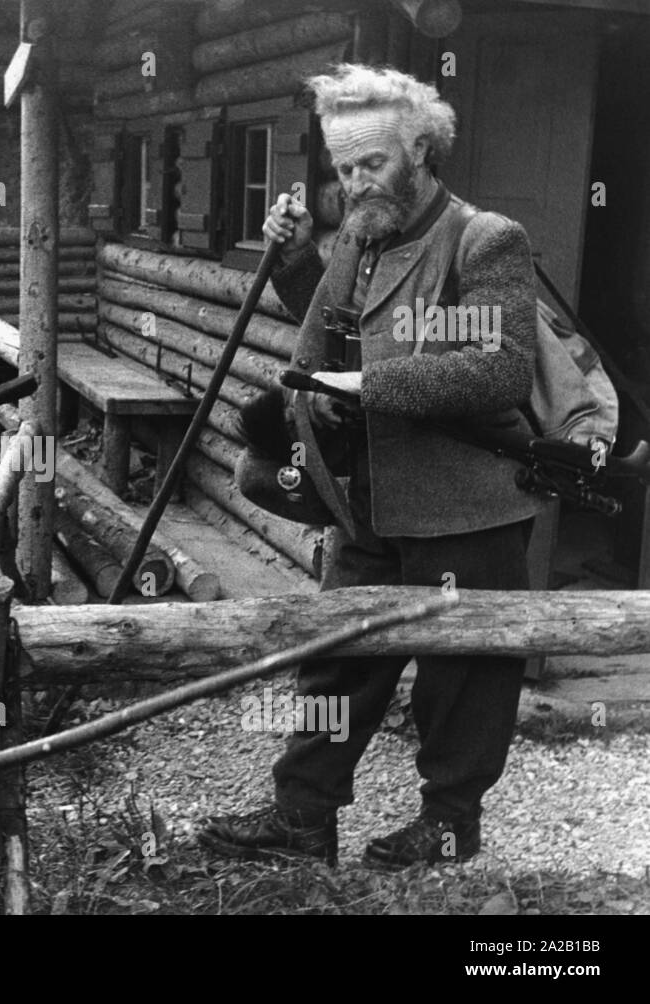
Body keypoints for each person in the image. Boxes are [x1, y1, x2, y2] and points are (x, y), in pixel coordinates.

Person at [197, 64, 544, 869]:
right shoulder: (362, 234)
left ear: (420, 149)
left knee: (461, 682)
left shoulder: (485, 239)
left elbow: (499, 369)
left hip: (467, 508)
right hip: (368, 501)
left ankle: (449, 823)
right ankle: (302, 818)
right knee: (336, 664)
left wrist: (371, 385)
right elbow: (342, 322)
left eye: (372, 164)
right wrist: (290, 265)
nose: (354, 183)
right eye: (343, 167)